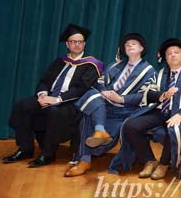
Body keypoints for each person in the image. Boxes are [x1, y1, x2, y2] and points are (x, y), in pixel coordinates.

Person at [2, 23, 102, 168]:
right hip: (50, 97)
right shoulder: (60, 61)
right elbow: (44, 81)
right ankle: (25, 149)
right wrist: (43, 95)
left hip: (71, 103)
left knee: (54, 111)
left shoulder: (92, 65)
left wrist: (57, 99)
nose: (77, 45)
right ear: (67, 44)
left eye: (80, 42)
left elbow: (81, 89)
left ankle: (48, 154)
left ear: (84, 44)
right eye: (73, 41)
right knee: (23, 106)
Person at [109, 38, 181, 180]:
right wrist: (163, 95)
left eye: (176, 52)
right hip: (160, 112)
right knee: (130, 125)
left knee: (173, 129)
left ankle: (163, 164)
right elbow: (148, 93)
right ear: (165, 58)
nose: (172, 55)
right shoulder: (159, 74)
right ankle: (149, 160)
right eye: (169, 53)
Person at [64, 33, 156, 177]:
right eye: (127, 45)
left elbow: (146, 95)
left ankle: (98, 136)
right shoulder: (115, 66)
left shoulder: (149, 71)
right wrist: (104, 92)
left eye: (133, 44)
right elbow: (99, 82)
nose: (129, 46)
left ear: (141, 48)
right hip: (104, 107)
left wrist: (121, 99)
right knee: (91, 98)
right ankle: (86, 158)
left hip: (124, 111)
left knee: (92, 118)